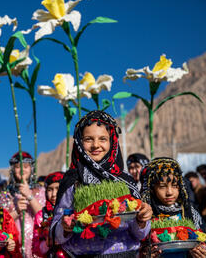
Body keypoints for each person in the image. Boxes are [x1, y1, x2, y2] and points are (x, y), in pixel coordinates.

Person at [51, 110, 152, 257]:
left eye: (103, 139)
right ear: (79, 142)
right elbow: (56, 233)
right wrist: (65, 227)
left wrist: (142, 220)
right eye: (88, 139)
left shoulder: (126, 181)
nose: (96, 145)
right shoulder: (73, 181)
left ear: (112, 141)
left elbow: (140, 234)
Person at [140, 157, 206, 258]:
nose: (170, 192)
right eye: (162, 186)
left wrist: (202, 253)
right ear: (152, 189)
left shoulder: (189, 212)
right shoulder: (145, 214)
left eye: (175, 185)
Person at [0, 151, 46, 258]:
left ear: (32, 169)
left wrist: (30, 196)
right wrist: (17, 210)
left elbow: (45, 218)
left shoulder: (41, 191)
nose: (22, 170)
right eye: (18, 167)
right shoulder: (5, 194)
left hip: (37, 247)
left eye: (26, 166)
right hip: (12, 247)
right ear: (13, 170)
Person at [32, 171, 64, 257]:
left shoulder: (74, 211)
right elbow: (35, 248)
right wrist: (46, 244)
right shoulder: (41, 215)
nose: (53, 194)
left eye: (58, 188)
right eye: (50, 189)